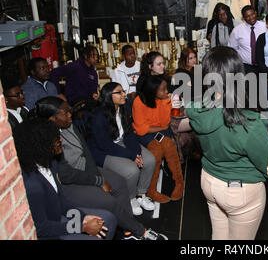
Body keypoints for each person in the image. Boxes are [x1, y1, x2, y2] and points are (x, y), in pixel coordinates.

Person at [32, 96, 167, 240]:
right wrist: (98, 182)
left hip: (86, 170)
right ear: (52, 119)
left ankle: (128, 230)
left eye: (69, 111)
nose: (70, 115)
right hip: (68, 184)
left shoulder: (68, 125)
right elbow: (65, 174)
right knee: (108, 201)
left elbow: (86, 152)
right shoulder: (48, 139)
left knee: (120, 183)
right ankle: (141, 232)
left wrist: (98, 176)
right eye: (65, 113)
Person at [186, 46, 268, 240]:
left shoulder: (196, 107)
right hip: (239, 191)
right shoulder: (248, 123)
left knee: (219, 237)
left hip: (209, 181)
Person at [13, 118, 117, 240]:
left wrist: (82, 218)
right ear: (40, 144)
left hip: (60, 216)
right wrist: (81, 227)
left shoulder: (50, 163)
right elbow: (41, 229)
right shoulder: (33, 185)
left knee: (108, 219)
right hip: (51, 231)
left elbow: (62, 201)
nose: (61, 140)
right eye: (55, 138)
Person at [85, 82, 157, 216]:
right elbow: (105, 145)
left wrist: (136, 153)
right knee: (131, 170)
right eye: (119, 92)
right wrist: (131, 155)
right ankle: (131, 198)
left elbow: (129, 134)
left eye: (123, 91)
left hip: (121, 143)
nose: (124, 94)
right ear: (108, 96)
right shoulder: (98, 116)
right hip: (103, 152)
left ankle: (141, 194)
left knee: (150, 160)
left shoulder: (122, 109)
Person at [132, 75, 184, 204]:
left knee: (168, 145)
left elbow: (164, 122)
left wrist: (168, 103)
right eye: (163, 89)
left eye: (166, 88)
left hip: (159, 130)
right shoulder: (138, 102)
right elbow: (141, 129)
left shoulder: (163, 100)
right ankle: (151, 189)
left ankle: (179, 182)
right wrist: (162, 127)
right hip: (144, 134)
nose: (167, 91)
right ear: (152, 91)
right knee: (156, 149)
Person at [228, 5, 267, 75]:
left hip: (263, 66)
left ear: (255, 13)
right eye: (247, 16)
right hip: (246, 68)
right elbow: (232, 50)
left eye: (252, 14)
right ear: (243, 18)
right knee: (248, 86)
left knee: (263, 85)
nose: (251, 18)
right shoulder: (237, 30)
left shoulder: (265, 27)